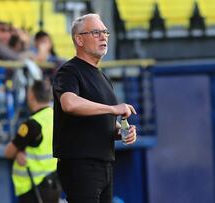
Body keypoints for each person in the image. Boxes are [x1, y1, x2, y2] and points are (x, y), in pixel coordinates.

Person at [53, 13, 137, 203]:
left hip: (104, 164)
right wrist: (112, 109)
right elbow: (70, 103)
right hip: (81, 163)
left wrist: (121, 131)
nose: (104, 36)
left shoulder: (102, 77)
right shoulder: (69, 71)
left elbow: (101, 119)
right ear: (79, 39)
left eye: (105, 32)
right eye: (96, 32)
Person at [5, 80, 61, 203]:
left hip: (33, 188)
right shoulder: (57, 116)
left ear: (31, 96)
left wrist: (17, 152)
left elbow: (8, 152)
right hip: (54, 184)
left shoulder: (32, 124)